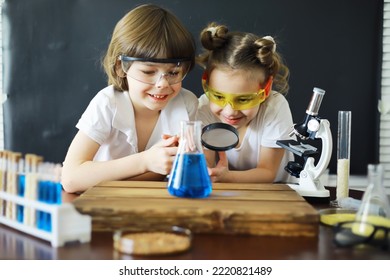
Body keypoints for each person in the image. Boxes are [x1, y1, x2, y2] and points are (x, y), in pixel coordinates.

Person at [61, 4, 198, 193]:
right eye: (149, 71)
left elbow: (185, 170)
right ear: (120, 67)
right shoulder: (107, 103)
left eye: (174, 72)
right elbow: (70, 179)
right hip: (104, 205)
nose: (162, 84)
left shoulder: (187, 104)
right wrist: (145, 161)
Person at [196, 22, 296, 184]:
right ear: (206, 84)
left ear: (266, 89)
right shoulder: (204, 107)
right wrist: (208, 172)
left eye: (243, 100)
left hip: (278, 193)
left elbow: (267, 173)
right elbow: (205, 165)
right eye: (219, 97)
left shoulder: (275, 107)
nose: (230, 111)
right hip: (227, 194)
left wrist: (226, 177)